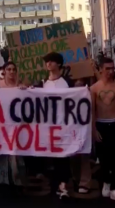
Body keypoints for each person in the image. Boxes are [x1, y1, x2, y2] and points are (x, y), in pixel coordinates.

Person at [91, 57, 115, 203]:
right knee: (104, 159)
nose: (110, 71)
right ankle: (106, 182)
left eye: (112, 68)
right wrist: (94, 129)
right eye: (107, 68)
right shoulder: (94, 88)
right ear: (100, 69)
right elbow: (92, 111)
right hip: (101, 124)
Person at [0, 62, 27, 192]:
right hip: (1, 124)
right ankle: (3, 181)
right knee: (3, 152)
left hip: (16, 125)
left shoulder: (21, 85)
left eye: (14, 69)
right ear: (4, 71)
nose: (11, 71)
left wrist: (26, 91)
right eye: (9, 69)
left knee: (15, 152)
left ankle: (17, 179)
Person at [40, 52, 71, 199]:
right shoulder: (42, 83)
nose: (48, 64)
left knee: (63, 157)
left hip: (64, 126)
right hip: (47, 128)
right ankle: (54, 185)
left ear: (58, 64)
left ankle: (63, 185)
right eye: (47, 61)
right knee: (50, 158)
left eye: (51, 61)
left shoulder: (68, 83)